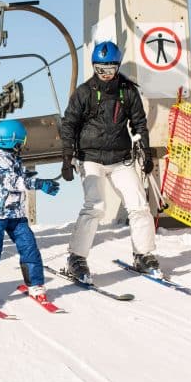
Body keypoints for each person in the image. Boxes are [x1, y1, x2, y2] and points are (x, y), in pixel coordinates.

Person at [59, 40, 159, 283]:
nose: (105, 74)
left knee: (138, 205)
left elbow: (139, 124)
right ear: (94, 67)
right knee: (96, 206)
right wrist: (66, 157)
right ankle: (77, 257)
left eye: (110, 69)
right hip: (90, 157)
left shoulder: (127, 92)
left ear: (117, 67)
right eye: (100, 69)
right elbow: (69, 123)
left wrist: (145, 153)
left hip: (120, 158)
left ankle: (144, 254)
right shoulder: (84, 92)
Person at [0, 119, 60, 308]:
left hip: (16, 213)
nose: (22, 146)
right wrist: (38, 184)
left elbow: (17, 177)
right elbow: (9, 181)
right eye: (20, 142)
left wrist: (30, 178)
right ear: (11, 141)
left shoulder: (9, 156)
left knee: (29, 247)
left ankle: (35, 284)